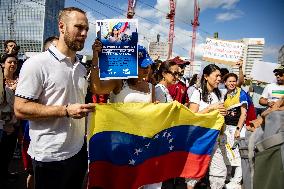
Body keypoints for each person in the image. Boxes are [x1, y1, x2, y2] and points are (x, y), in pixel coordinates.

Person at [14, 7, 96, 189]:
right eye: (79, 27)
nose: (84, 33)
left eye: (86, 29)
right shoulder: (36, 64)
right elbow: (20, 108)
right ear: (62, 27)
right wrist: (65, 110)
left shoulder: (82, 68)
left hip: (78, 152)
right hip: (49, 156)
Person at [189, 64, 227, 189]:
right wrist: (210, 107)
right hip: (199, 139)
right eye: (216, 75)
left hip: (215, 139)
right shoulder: (197, 93)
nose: (219, 79)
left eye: (220, 76)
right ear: (206, 76)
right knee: (194, 174)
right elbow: (192, 117)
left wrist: (222, 113)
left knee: (219, 173)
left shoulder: (219, 94)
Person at [222, 73, 248, 189]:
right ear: (225, 83)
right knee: (227, 153)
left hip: (237, 128)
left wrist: (238, 129)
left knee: (237, 155)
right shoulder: (225, 94)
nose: (232, 83)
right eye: (229, 81)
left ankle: (237, 180)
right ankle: (227, 177)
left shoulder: (241, 93)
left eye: (234, 81)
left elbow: (243, 114)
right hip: (227, 128)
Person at [0, 54, 20, 188]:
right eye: (9, 62)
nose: (12, 64)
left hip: (15, 123)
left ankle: (5, 174)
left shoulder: (20, 81)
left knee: (8, 153)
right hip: (2, 125)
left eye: (15, 63)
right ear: (3, 64)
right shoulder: (0, 81)